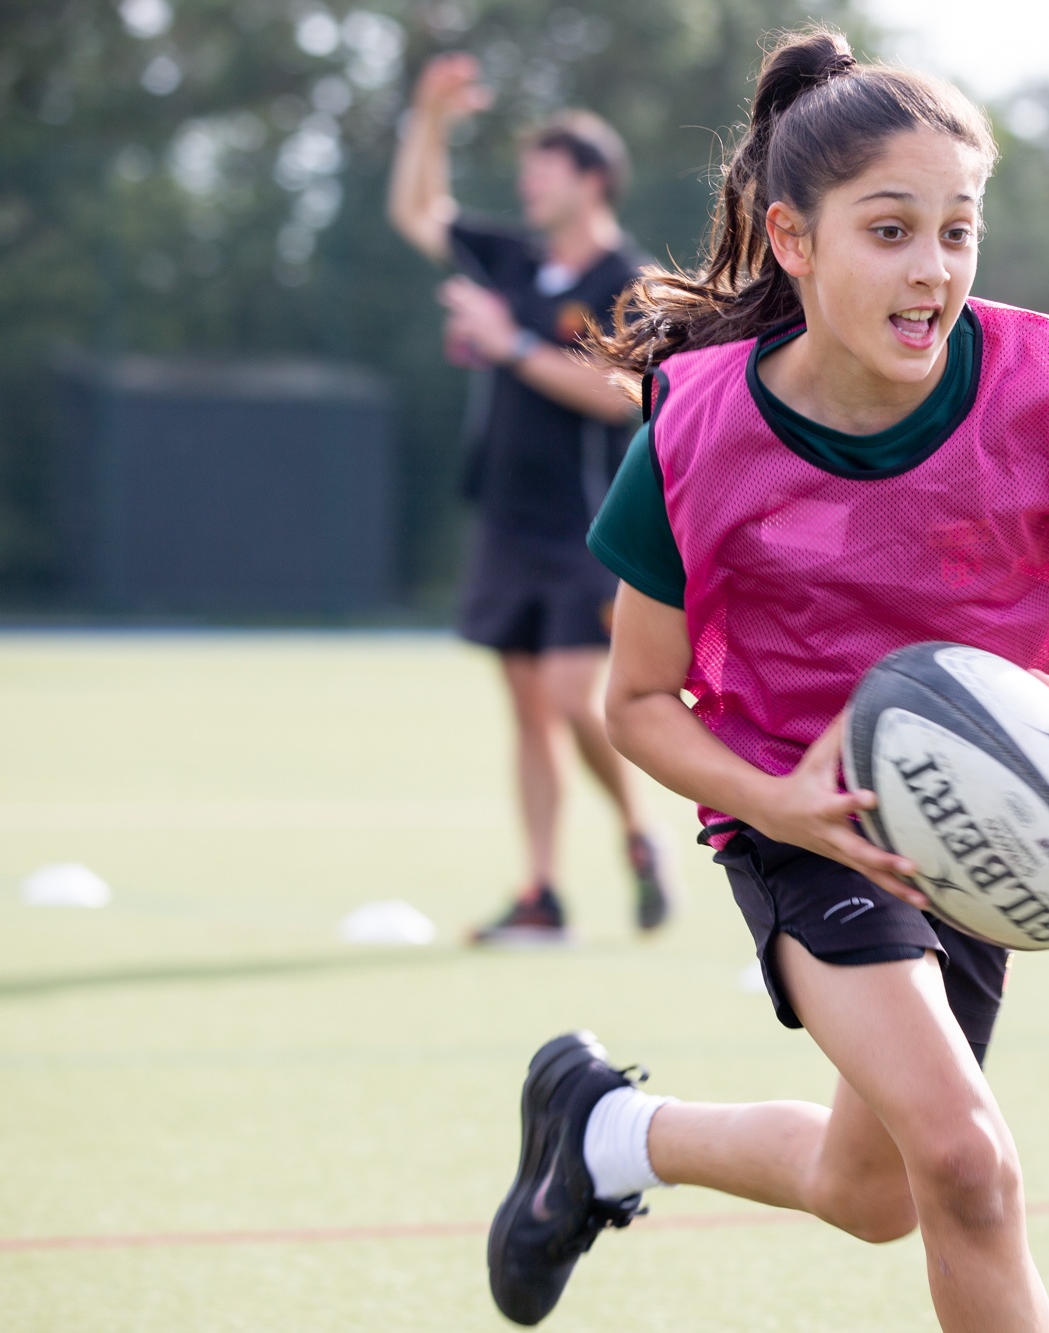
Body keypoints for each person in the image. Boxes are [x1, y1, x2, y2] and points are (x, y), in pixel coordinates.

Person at [482, 28, 1049, 1331]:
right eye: (891, 231)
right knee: (968, 1164)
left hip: (976, 813)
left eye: (959, 229)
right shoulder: (696, 432)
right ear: (792, 238)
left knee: (875, 1188)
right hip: (801, 814)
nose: (932, 268)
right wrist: (772, 809)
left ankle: (605, 1134)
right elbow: (637, 703)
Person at [387, 53, 673, 944]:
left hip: (585, 528)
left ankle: (636, 833)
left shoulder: (629, 281)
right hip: (505, 518)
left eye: (543, 171)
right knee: (527, 705)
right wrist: (428, 117)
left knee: (569, 697)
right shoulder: (514, 256)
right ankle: (542, 892)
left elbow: (619, 393)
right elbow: (415, 212)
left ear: (591, 181)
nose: (526, 185)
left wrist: (508, 344)